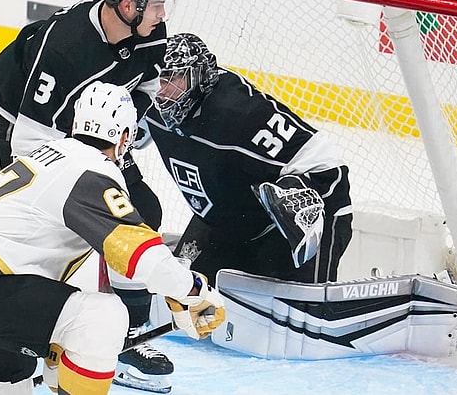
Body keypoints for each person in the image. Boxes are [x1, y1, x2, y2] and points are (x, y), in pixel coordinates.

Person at [0, 82, 224, 395]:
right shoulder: (92, 170)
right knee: (103, 319)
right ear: (124, 137)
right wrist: (191, 291)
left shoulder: (50, 156)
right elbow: (138, 253)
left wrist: (65, 347)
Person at [0, 0, 178, 390]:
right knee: (30, 239)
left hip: (93, 130)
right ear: (126, 4)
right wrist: (72, 186)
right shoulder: (65, 46)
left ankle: (127, 335)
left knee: (142, 213)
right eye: (156, 4)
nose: (162, 15)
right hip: (11, 127)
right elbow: (29, 142)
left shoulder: (151, 33)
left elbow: (143, 87)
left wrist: (117, 139)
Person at [145, 33, 354, 286]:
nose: (163, 91)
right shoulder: (150, 103)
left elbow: (328, 168)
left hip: (284, 231)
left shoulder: (239, 113)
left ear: (201, 76)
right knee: (179, 293)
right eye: (160, 78)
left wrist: (299, 195)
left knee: (301, 315)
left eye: (174, 78)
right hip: (223, 224)